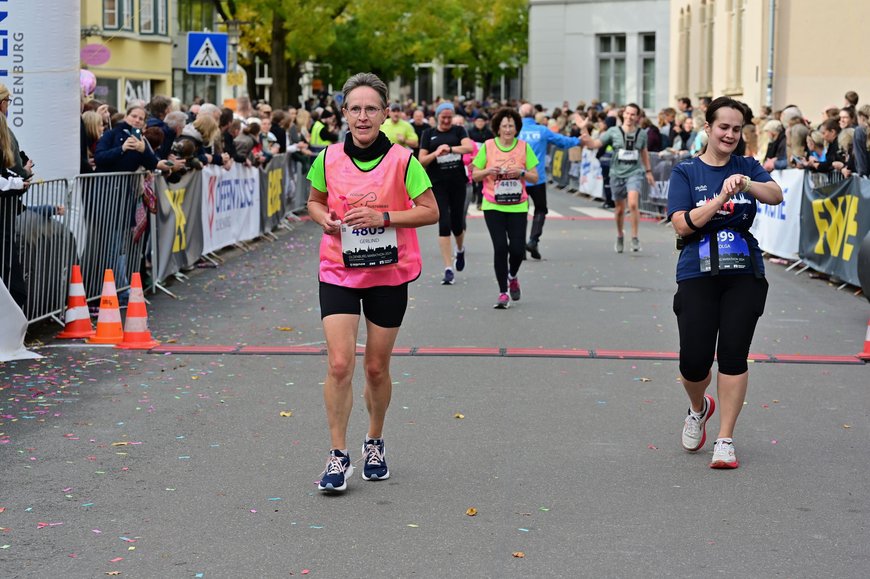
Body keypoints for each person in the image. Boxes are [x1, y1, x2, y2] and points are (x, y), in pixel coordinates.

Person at [306, 72, 439, 493]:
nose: (362, 117)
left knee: (376, 367)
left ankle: (374, 441)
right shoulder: (326, 158)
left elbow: (429, 210)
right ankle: (338, 455)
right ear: (343, 113)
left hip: (387, 272)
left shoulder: (404, 160)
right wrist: (323, 218)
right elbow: (314, 202)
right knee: (340, 363)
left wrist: (384, 217)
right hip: (339, 270)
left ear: (385, 114)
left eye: (371, 109)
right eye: (354, 109)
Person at [667, 96, 783, 469]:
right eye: (723, 127)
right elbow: (683, 223)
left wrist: (747, 182)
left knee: (733, 353)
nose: (730, 134)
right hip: (696, 273)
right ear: (708, 128)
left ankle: (725, 439)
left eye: (736, 129)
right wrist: (720, 197)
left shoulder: (746, 166)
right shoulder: (687, 172)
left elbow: (776, 195)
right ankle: (699, 408)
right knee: (694, 362)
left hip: (743, 272)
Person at [471, 107, 539, 309]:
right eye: (504, 126)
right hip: (493, 204)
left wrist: (522, 172)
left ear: (516, 128)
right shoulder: (489, 146)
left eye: (511, 126)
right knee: (500, 248)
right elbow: (475, 174)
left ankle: (512, 275)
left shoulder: (524, 147)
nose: (508, 129)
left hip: (517, 205)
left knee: (517, 250)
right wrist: (487, 171)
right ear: (498, 128)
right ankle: (503, 292)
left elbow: (535, 176)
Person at [580, 103, 655, 253]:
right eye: (627, 113)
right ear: (623, 114)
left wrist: (648, 171)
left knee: (633, 204)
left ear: (637, 117)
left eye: (633, 114)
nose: (629, 116)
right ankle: (620, 235)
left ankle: (634, 237)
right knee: (619, 209)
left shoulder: (642, 134)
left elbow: (644, 152)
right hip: (616, 173)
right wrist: (584, 129)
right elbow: (595, 144)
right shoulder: (613, 132)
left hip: (634, 172)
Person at [418, 102, 474, 285]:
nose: (447, 120)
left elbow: (468, 148)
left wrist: (450, 149)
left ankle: (460, 249)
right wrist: (436, 153)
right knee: (444, 223)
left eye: (450, 117)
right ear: (438, 117)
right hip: (437, 184)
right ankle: (448, 268)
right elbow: (422, 161)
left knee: (458, 223)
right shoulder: (428, 134)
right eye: (444, 117)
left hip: (458, 183)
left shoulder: (459, 131)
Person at [517, 103, 580, 260]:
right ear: (534, 114)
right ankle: (533, 240)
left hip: (519, 178)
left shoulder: (515, 131)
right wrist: (578, 141)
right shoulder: (542, 130)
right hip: (537, 178)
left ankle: (519, 246)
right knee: (540, 209)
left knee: (520, 212)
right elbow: (561, 141)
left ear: (520, 114)